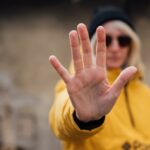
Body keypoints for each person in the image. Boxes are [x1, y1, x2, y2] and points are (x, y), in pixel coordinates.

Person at [49, 6, 150, 150]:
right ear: (93, 44)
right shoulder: (76, 87)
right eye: (107, 40)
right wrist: (80, 117)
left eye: (123, 40)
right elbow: (59, 120)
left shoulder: (145, 93)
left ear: (132, 45)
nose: (115, 48)